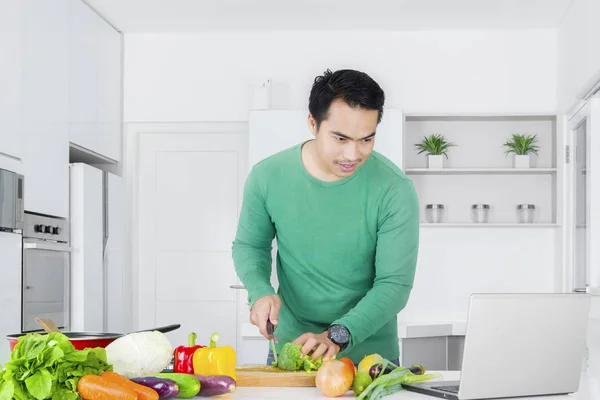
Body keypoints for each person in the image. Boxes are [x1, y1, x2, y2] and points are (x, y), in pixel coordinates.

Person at [232, 68, 419, 366]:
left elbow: (394, 285)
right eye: (340, 138)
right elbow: (250, 246)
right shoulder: (267, 176)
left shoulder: (395, 190)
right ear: (312, 123)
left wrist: (337, 335)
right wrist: (260, 291)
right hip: (292, 349)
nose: (352, 154)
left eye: (366, 140)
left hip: (369, 359)